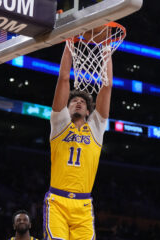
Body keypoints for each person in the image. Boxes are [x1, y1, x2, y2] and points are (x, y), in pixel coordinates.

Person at [43, 43, 112, 240]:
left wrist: (106, 50)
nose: (79, 102)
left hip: (83, 206)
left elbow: (107, 86)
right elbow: (64, 78)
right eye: (74, 101)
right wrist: (69, 45)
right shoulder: (59, 124)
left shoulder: (96, 129)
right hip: (57, 202)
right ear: (67, 109)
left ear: (88, 111)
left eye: (82, 102)